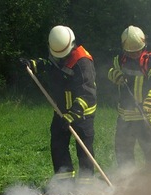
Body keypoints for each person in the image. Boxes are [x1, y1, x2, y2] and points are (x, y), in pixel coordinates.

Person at [24, 25, 97, 185]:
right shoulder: (58, 54)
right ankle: (65, 185)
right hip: (61, 111)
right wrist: (33, 64)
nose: (61, 59)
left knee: (84, 150)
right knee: (58, 145)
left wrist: (72, 115)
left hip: (82, 114)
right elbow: (49, 65)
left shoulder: (83, 62)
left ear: (72, 45)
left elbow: (87, 93)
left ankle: (86, 187)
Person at [108, 25, 151, 180]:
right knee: (123, 150)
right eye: (131, 52)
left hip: (147, 116)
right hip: (126, 116)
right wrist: (113, 74)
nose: (134, 55)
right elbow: (109, 71)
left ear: (143, 46)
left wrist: (150, 100)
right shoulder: (119, 59)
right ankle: (129, 184)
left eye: (137, 51)